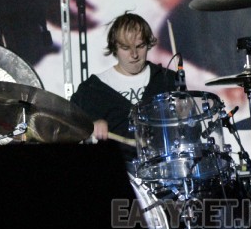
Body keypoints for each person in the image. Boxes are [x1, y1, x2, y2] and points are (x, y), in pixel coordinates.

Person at [70, 12, 177, 161]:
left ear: (148, 44)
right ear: (115, 47)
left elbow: (189, 129)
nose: (134, 55)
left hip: (166, 166)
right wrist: (90, 125)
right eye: (126, 48)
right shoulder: (92, 90)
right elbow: (68, 125)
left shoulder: (167, 80)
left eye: (140, 46)